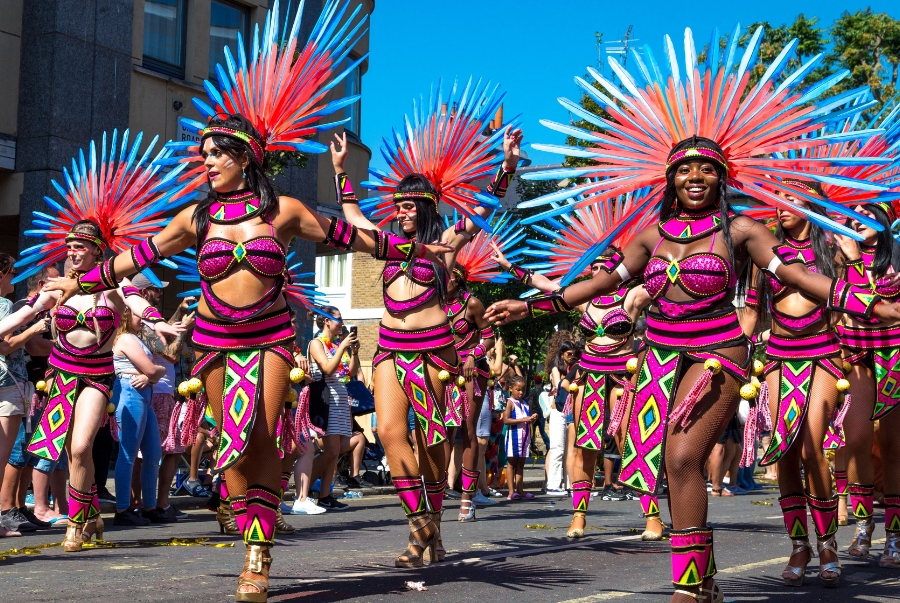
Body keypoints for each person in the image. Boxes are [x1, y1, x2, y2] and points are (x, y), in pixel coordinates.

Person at [483, 25, 898, 602]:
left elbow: (800, 277)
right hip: (658, 359)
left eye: (706, 168)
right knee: (674, 468)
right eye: (684, 168)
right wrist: (532, 304)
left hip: (718, 356)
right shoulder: (649, 236)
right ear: (670, 178)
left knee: (684, 454)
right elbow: (601, 283)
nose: (695, 177)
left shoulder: (741, 231)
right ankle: (703, 584)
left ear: (721, 177)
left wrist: (872, 304)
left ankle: (692, 585)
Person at [329, 79, 522, 567]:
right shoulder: (386, 244)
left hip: (436, 352)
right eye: (397, 206)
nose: (400, 212)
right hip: (389, 349)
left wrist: (506, 166)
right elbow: (351, 215)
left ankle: (431, 532)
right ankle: (420, 527)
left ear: (427, 208)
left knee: (432, 445)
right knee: (392, 433)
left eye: (408, 206)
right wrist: (340, 172)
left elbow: (482, 211)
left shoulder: (445, 246)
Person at [833, 201, 900, 569]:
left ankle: (894, 534)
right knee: (856, 437)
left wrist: (857, 261)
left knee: (891, 445)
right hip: (856, 353)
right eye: (854, 213)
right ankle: (863, 526)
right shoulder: (838, 257)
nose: (860, 218)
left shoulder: (897, 257)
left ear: (886, 220)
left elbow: (871, 301)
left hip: (894, 353)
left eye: (869, 213)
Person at [132, 274, 195, 520]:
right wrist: (184, 330)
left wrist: (180, 311)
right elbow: (169, 353)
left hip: (163, 393)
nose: (160, 294)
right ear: (144, 292)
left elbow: (163, 333)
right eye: (157, 290)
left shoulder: (150, 320)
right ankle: (145, 503)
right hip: (157, 393)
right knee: (149, 453)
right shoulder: (139, 321)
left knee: (169, 449)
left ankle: (157, 502)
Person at [0, 254, 51, 537]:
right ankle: (3, 514)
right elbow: (5, 346)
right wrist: (34, 328)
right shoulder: (6, 305)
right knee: (4, 455)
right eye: (11, 273)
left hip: (9, 384)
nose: (14, 279)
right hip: (8, 384)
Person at [110, 304, 172, 525]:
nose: (144, 319)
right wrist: (154, 373)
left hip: (143, 392)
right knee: (128, 453)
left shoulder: (137, 338)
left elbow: (154, 369)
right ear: (127, 315)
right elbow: (154, 369)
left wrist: (151, 375)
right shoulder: (126, 338)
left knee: (153, 453)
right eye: (139, 315)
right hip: (130, 392)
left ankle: (150, 507)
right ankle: (122, 509)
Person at [307, 309, 357, 511]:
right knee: (331, 451)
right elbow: (327, 369)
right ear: (327, 321)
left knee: (334, 453)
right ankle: (305, 489)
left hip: (341, 402)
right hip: (326, 403)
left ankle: (325, 495)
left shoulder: (337, 345)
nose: (342, 323)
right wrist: (343, 346)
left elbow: (350, 373)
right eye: (339, 319)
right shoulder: (316, 343)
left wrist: (353, 352)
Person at [544, 335, 577, 496]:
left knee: (569, 449)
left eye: (573, 354)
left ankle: (570, 485)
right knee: (557, 448)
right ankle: (553, 485)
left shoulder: (574, 367)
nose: (571, 357)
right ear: (562, 354)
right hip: (558, 410)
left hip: (569, 409)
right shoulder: (556, 366)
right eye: (568, 354)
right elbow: (559, 386)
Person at [503, 376, 536, 499]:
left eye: (523, 390)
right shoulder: (510, 402)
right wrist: (524, 419)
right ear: (511, 388)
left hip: (524, 438)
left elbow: (527, 419)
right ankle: (511, 492)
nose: (521, 392)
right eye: (518, 390)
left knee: (521, 464)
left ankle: (520, 490)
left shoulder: (525, 403)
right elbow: (506, 420)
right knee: (512, 464)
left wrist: (532, 418)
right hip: (514, 437)